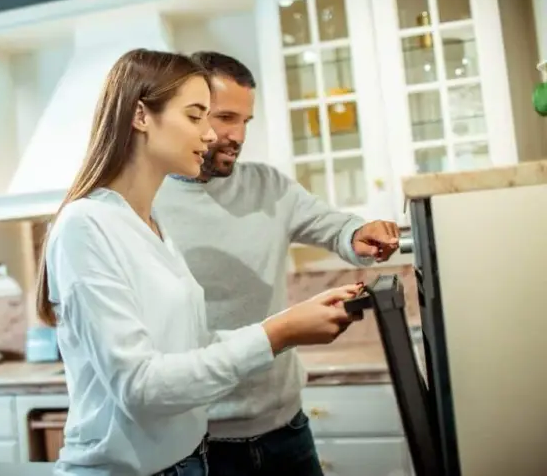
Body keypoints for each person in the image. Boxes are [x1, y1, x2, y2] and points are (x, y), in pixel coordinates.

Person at [36, 49, 364, 476]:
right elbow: (140, 386)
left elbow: (194, 347)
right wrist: (277, 333)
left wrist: (291, 324)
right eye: (196, 117)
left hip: (186, 463)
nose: (211, 135)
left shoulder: (148, 224)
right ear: (140, 116)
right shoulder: (87, 224)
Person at [153, 51, 401, 476]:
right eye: (225, 117)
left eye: (245, 121)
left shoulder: (268, 186)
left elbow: (333, 226)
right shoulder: (146, 202)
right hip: (197, 446)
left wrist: (358, 233)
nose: (237, 134)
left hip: (286, 429)